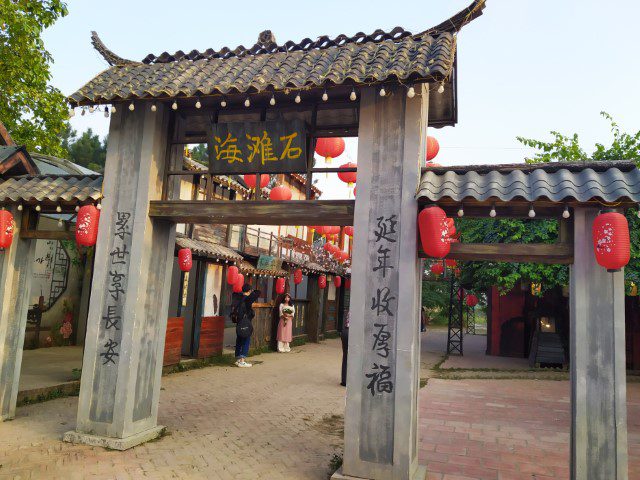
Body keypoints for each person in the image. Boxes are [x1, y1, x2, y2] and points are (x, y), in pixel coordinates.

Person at [232, 284, 261, 367]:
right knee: (246, 340)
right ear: (249, 291)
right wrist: (252, 292)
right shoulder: (248, 299)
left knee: (239, 340)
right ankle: (242, 360)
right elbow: (258, 292)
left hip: (239, 321)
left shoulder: (238, 297)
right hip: (245, 322)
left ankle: (238, 359)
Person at [340, 310, 350, 386]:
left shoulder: (347, 311)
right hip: (353, 333)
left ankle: (344, 380)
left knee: (346, 357)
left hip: (345, 331)